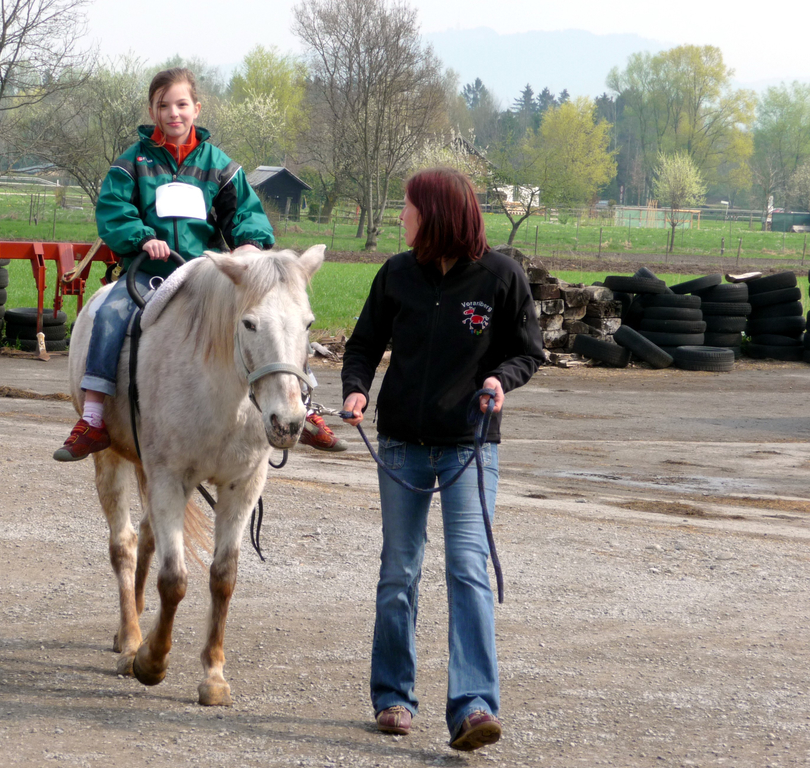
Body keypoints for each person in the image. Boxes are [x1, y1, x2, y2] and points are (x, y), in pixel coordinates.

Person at [340, 167, 543, 751]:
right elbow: (363, 345)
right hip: (402, 444)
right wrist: (357, 387)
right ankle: (393, 697)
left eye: (407, 206)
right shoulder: (396, 274)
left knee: (468, 572)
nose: (400, 216)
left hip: (470, 447)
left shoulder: (502, 277)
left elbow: (528, 352)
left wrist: (501, 379)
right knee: (399, 572)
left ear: (437, 214)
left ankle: (474, 706)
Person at [54, 67, 344, 461]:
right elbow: (114, 211)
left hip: (204, 274)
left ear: (197, 108)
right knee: (108, 313)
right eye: (164, 105)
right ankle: (92, 417)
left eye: (182, 104)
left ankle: (303, 408)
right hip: (148, 271)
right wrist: (143, 237)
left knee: (278, 321)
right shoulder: (131, 163)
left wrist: (248, 245)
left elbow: (244, 211)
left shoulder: (219, 165)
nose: (174, 113)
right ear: (152, 110)